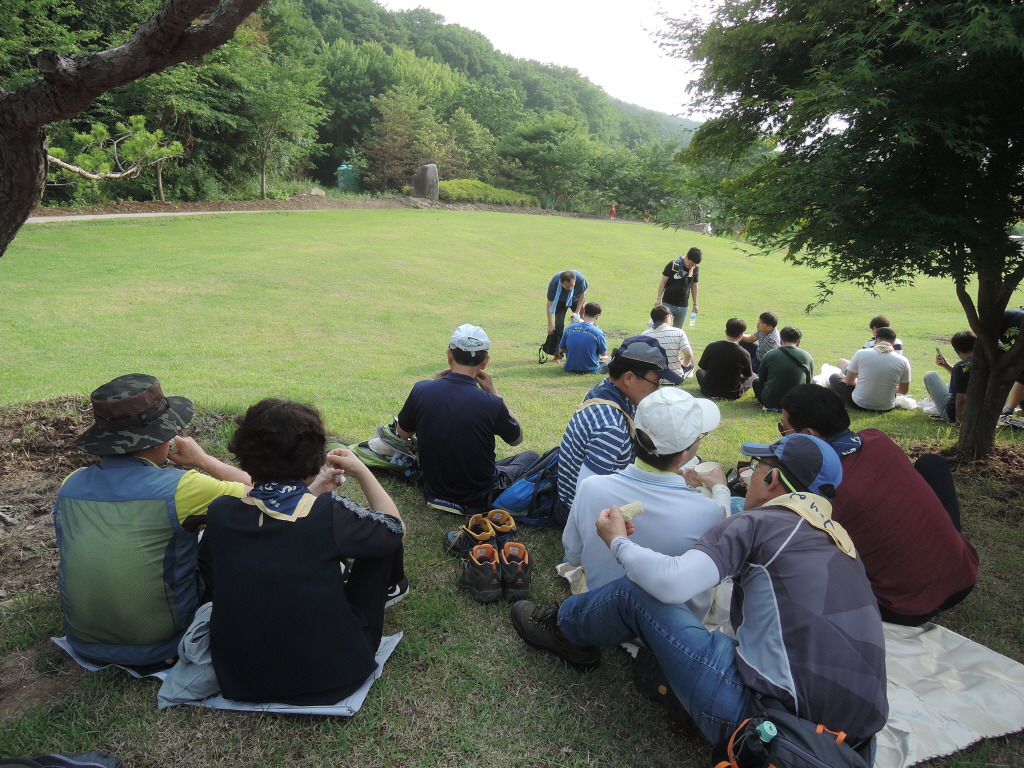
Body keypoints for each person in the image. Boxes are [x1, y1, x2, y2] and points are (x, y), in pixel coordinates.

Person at [512, 432, 888, 751]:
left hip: (768, 727)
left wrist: (617, 542)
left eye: (755, 467)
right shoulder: (840, 542)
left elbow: (670, 583)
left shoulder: (760, 524)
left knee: (635, 593)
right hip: (853, 743)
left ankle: (562, 629)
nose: (747, 475)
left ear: (772, 478)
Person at [206, 399, 406, 705]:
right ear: (314, 456)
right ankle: (393, 588)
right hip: (336, 675)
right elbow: (395, 529)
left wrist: (312, 492)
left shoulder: (220, 512)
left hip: (241, 677)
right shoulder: (328, 512)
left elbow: (277, 530)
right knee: (380, 541)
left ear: (243, 453)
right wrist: (363, 472)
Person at [53, 374, 252, 668]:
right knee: (220, 528)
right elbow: (259, 491)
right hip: (161, 647)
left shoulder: (71, 484)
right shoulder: (182, 487)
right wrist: (202, 460)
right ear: (163, 437)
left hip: (84, 643)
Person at [780, 384, 978, 624]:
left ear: (809, 435)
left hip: (905, 608)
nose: (782, 436)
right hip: (963, 574)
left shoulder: (824, 491)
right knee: (930, 464)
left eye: (783, 430)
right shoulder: (877, 439)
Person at [562, 388, 727, 620]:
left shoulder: (591, 487)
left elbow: (574, 558)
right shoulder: (710, 512)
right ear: (682, 456)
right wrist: (721, 489)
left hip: (599, 612)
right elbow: (726, 556)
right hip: (669, 629)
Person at [397, 324, 539, 514]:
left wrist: (434, 386)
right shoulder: (491, 403)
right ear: (485, 362)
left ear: (449, 355)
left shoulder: (421, 390)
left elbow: (402, 432)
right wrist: (493, 392)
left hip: (434, 491)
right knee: (531, 456)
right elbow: (516, 439)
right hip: (478, 497)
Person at [556, 336, 683, 523]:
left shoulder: (607, 389)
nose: (656, 390)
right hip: (577, 511)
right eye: (655, 382)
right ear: (629, 378)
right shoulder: (612, 426)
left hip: (574, 497)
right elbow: (588, 495)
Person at [829, 326, 911, 411]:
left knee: (835, 377)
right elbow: (903, 390)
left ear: (875, 339)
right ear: (894, 342)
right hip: (886, 407)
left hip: (858, 404)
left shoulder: (861, 353)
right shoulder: (904, 361)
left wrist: (863, 383)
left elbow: (848, 381)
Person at [752, 325, 813, 410]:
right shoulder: (807, 356)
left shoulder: (770, 354)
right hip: (796, 402)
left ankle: (760, 401)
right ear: (798, 342)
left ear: (781, 340)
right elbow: (808, 382)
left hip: (771, 402)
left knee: (756, 381)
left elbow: (762, 379)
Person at [924, 331, 976, 424]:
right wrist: (946, 365)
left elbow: (961, 399)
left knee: (930, 375)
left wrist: (958, 422)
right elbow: (963, 378)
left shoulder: (961, 366)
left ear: (957, 351)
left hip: (953, 413)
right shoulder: (986, 362)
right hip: (980, 411)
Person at [696, 318, 753, 400]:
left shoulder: (711, 347)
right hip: (732, 394)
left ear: (726, 331)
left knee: (699, 372)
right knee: (754, 376)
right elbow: (747, 377)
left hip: (708, 391)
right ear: (741, 335)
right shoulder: (745, 354)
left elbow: (704, 371)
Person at [642, 305, 694, 380]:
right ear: (667, 318)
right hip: (674, 377)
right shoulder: (679, 332)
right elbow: (688, 354)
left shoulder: (645, 334)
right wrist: (684, 365)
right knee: (691, 361)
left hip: (653, 378)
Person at [546, 270, 588, 361]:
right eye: (567, 287)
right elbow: (550, 303)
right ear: (561, 282)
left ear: (575, 280)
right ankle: (558, 353)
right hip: (560, 301)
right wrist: (550, 324)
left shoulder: (580, 279)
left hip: (576, 300)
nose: (569, 289)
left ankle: (583, 351)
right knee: (559, 325)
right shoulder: (554, 282)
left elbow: (582, 294)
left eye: (572, 286)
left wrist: (577, 312)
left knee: (584, 323)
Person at [655, 247, 700, 330]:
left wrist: (695, 304)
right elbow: (663, 282)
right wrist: (659, 298)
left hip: (683, 306)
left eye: (695, 264)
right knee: (664, 328)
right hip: (668, 303)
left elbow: (694, 286)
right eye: (691, 263)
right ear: (687, 257)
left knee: (678, 331)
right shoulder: (673, 265)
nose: (692, 266)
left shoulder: (695, 268)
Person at [560, 302, 608, 374]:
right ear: (597, 316)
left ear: (584, 313)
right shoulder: (598, 332)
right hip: (591, 369)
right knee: (609, 360)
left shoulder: (569, 328)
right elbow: (603, 353)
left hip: (569, 367)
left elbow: (561, 349)